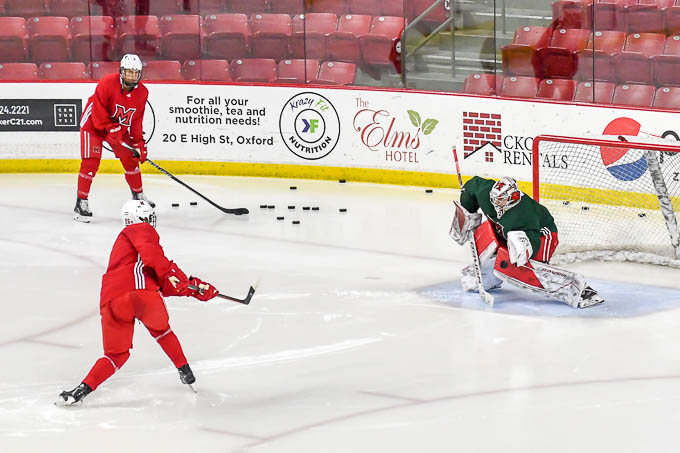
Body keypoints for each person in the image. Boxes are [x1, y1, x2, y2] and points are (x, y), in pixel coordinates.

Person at [57, 200, 219, 406]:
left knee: (116, 355)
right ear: (140, 217)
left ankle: (80, 391)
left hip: (112, 300)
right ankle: (184, 370)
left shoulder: (126, 245)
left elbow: (166, 281)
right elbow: (157, 262)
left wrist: (194, 290)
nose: (151, 220)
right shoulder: (140, 229)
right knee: (162, 332)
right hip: (142, 294)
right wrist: (190, 285)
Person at [449, 176, 604, 308]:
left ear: (514, 197)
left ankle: (578, 290)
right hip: (508, 232)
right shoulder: (486, 193)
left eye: (501, 200)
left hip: (542, 236)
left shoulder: (524, 213)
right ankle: (493, 276)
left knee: (518, 265)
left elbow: (533, 242)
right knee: (472, 281)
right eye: (494, 199)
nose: (495, 203)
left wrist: (521, 255)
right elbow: (472, 186)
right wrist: (467, 212)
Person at [74, 53, 153, 223]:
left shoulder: (142, 92)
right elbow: (97, 110)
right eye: (129, 72)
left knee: (131, 158)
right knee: (90, 162)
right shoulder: (107, 83)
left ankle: (138, 195)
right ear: (121, 71)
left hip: (117, 128)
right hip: (93, 125)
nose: (132, 76)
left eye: (135, 73)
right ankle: (81, 202)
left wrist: (139, 143)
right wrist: (110, 128)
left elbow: (136, 120)